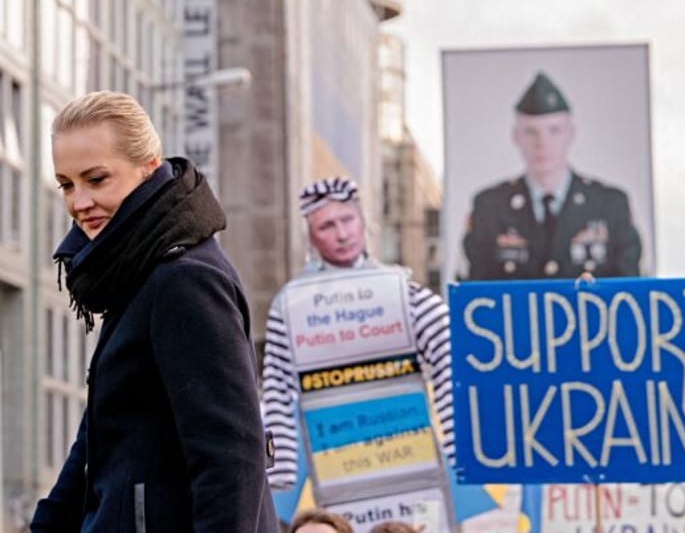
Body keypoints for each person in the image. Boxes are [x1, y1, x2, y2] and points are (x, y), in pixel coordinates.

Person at [30, 91, 276, 532]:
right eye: (67, 184)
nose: (79, 202)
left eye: (97, 179)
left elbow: (232, 455)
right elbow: (99, 438)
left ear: (148, 167)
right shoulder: (136, 273)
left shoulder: (183, 279)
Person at [262, 177, 454, 489]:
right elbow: (277, 390)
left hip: (410, 460)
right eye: (326, 226)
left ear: (363, 222)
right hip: (335, 464)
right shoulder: (290, 306)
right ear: (310, 236)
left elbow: (449, 356)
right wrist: (281, 477)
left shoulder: (402, 292)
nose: (342, 234)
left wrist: (458, 451)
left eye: (348, 219)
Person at [461, 71, 642, 280]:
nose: (542, 143)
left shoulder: (610, 205)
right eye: (531, 132)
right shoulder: (490, 207)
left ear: (570, 134)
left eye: (554, 130)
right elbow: (472, 294)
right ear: (516, 136)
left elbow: (632, 291)